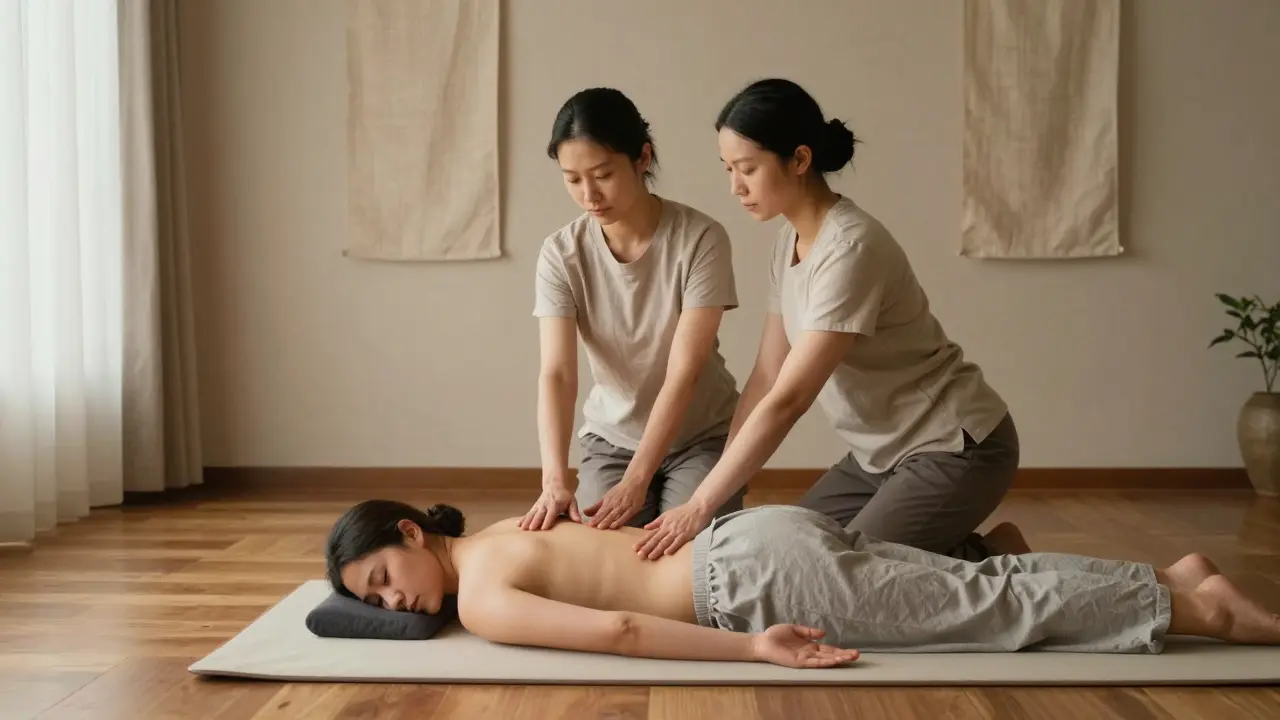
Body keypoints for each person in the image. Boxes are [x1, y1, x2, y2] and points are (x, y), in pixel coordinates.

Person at [634, 78, 1021, 562]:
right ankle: (985, 552)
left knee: (841, 573)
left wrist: (699, 505)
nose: (736, 187)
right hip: (877, 459)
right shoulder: (787, 242)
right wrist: (713, 486)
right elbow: (767, 376)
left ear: (799, 159)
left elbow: (789, 398)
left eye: (748, 168)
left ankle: (998, 567)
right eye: (728, 169)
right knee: (787, 555)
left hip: (953, 445)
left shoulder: (850, 248)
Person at [326, 499, 1280, 667]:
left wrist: (751, 645)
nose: (391, 602)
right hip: (757, 535)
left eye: (381, 577)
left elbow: (621, 632)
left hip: (752, 583)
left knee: (978, 607)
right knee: (972, 579)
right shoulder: (503, 528)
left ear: (411, 532)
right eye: (373, 603)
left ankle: (1203, 613)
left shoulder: (483, 598)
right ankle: (1169, 576)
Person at [520, 87, 747, 533]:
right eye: (572, 179)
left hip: (701, 436)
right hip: (613, 440)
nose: (589, 194)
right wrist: (554, 480)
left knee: (688, 551)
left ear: (643, 158)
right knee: (601, 554)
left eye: (603, 174)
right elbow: (557, 374)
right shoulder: (561, 253)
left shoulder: (701, 239)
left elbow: (685, 371)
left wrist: (638, 480)